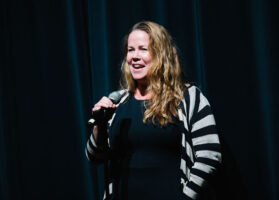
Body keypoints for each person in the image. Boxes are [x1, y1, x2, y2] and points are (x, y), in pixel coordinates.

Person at [86, 21, 221, 200]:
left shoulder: (188, 97)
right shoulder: (118, 101)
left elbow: (210, 155)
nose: (134, 56)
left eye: (143, 49)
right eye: (130, 49)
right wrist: (99, 126)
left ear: (160, 54)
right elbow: (94, 157)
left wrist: (185, 197)